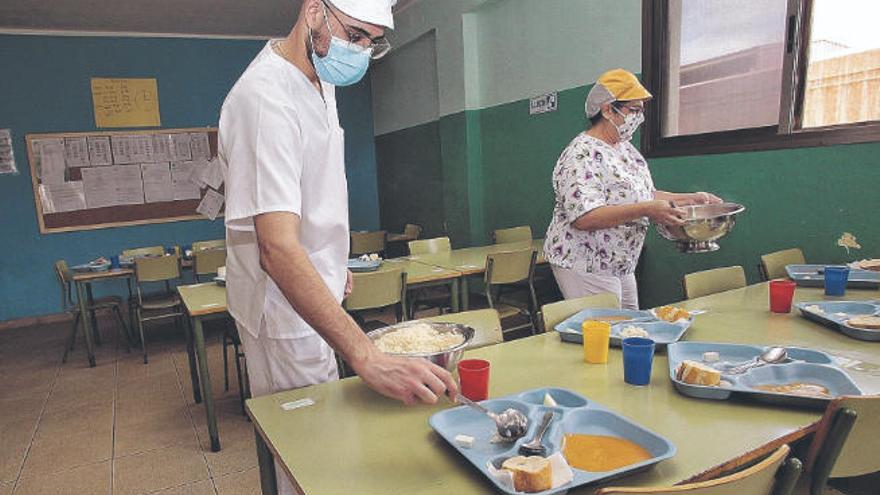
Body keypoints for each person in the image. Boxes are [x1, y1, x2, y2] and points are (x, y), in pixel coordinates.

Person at [219, 2, 458, 489]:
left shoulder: (320, 75)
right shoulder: (264, 99)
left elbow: (313, 193)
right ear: (313, 11)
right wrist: (365, 354)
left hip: (315, 291)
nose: (361, 51)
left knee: (331, 442)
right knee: (307, 455)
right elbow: (278, 249)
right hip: (282, 311)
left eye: (372, 41)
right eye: (355, 34)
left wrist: (331, 262)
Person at [543, 69, 722, 309]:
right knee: (607, 336)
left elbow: (644, 195)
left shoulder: (625, 150)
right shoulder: (581, 154)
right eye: (633, 110)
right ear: (608, 109)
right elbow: (585, 217)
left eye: (641, 111)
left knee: (630, 328)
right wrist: (648, 209)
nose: (640, 118)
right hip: (586, 261)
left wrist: (690, 199)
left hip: (621, 260)